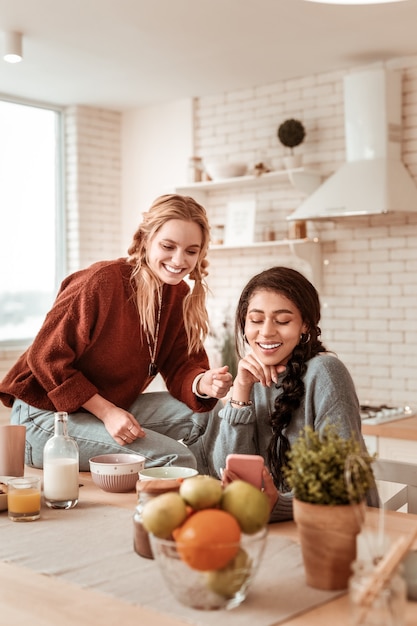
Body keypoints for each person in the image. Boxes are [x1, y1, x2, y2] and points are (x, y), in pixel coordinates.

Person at [0, 194, 233, 471]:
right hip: (44, 418)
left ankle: (212, 498)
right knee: (176, 458)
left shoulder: (178, 294)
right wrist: (108, 412)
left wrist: (203, 383)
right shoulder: (102, 281)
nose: (179, 260)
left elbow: (182, 365)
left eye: (191, 251)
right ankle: (180, 510)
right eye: (168, 246)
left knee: (209, 414)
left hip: (97, 412)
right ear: (146, 240)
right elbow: (45, 357)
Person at [189, 266, 376, 521]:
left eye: (283, 320)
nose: (266, 332)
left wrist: (279, 505)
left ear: (305, 325)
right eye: (256, 320)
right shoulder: (251, 378)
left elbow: (346, 479)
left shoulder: (326, 373)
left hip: (338, 526)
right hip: (275, 527)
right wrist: (241, 391)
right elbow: (228, 473)